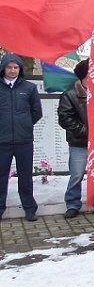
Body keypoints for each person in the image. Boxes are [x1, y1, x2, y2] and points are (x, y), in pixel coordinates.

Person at [59, 59, 94, 218]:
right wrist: (86, 131)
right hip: (79, 143)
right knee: (77, 174)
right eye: (90, 75)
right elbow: (65, 119)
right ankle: (72, 204)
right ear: (82, 77)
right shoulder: (70, 95)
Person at [0, 53, 42, 222]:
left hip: (24, 140)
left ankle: (29, 208)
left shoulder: (29, 88)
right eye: (9, 67)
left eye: (16, 67)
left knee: (25, 176)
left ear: (20, 69)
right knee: (1, 176)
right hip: (2, 141)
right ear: (3, 68)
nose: (12, 70)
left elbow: (36, 112)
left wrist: (23, 124)